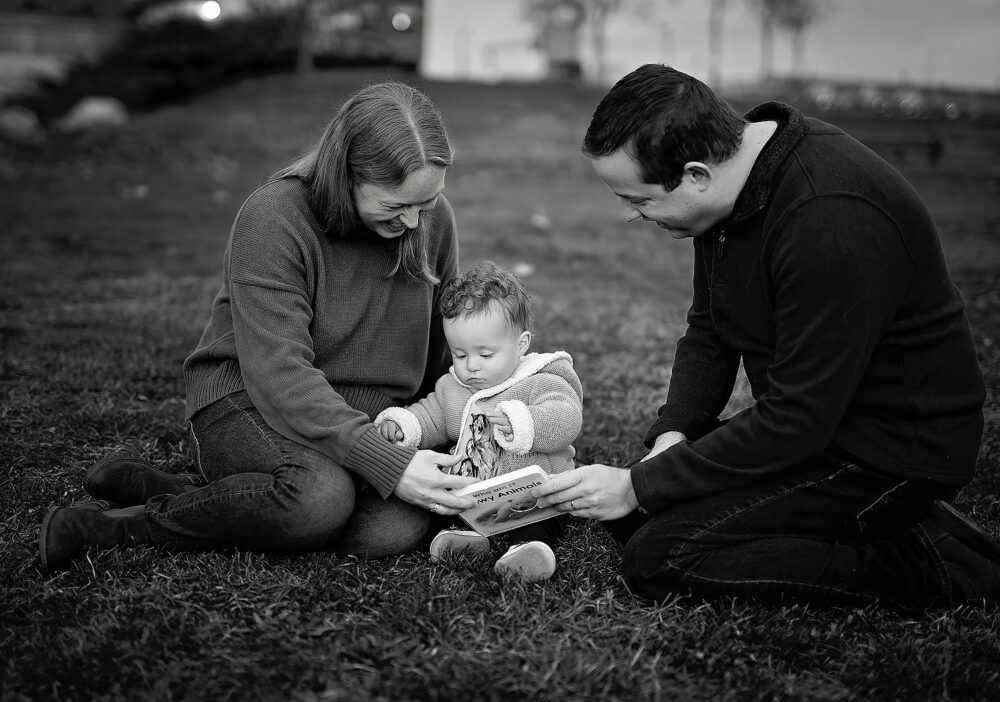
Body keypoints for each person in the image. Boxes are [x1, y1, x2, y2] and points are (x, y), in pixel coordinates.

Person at [532, 64, 997, 611]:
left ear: (696, 175)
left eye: (639, 199)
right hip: (817, 429)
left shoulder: (828, 217)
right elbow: (710, 329)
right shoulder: (731, 187)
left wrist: (640, 484)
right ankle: (880, 527)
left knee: (661, 557)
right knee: (637, 513)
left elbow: (798, 418)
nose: (629, 214)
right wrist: (674, 433)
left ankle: (937, 567)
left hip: (888, 452)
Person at [38, 81, 481, 574]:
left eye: (427, 203)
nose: (415, 222)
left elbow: (445, 350)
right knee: (318, 499)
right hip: (250, 398)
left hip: (370, 418)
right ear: (346, 175)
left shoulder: (433, 222)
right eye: (396, 206)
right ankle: (119, 526)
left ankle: (202, 494)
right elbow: (280, 375)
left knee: (388, 531)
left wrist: (475, 419)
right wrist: (388, 464)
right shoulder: (274, 217)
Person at [375, 260, 584, 581]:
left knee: (542, 515)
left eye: (486, 355)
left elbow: (565, 417)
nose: (472, 366)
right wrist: (405, 426)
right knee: (450, 506)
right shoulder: (453, 388)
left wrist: (525, 422)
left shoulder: (541, 378)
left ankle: (527, 549)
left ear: (521, 344)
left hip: (537, 491)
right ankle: (467, 539)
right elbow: (431, 416)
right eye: (460, 355)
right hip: (478, 494)